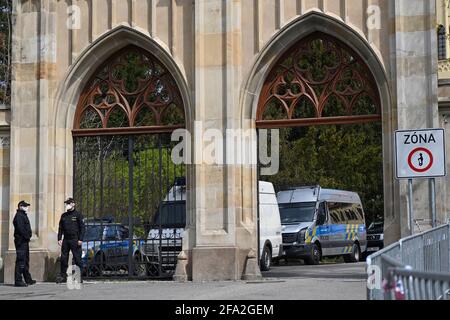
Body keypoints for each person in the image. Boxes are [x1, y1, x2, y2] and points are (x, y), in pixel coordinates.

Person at [56, 198, 85, 284]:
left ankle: (79, 277)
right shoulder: (64, 215)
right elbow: (60, 228)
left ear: (73, 204)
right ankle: (63, 276)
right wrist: (59, 238)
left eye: (69, 203)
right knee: (64, 258)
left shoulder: (78, 215)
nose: (67, 205)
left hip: (75, 239)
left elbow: (82, 228)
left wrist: (80, 239)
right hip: (66, 240)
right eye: (66, 203)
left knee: (77, 259)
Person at [13, 200, 36, 287]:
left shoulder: (23, 215)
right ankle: (18, 280)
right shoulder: (19, 216)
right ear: (20, 206)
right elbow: (20, 229)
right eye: (25, 206)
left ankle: (28, 279)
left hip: (24, 241)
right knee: (21, 261)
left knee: (25, 260)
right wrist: (27, 236)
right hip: (21, 241)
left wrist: (28, 236)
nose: (27, 207)